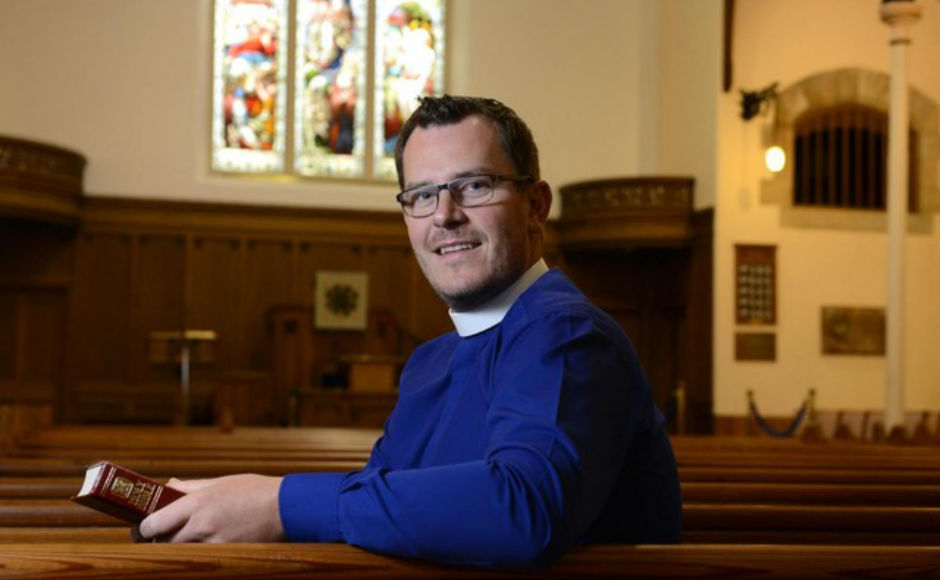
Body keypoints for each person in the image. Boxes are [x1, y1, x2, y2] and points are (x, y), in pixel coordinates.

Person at [137, 95, 682, 567]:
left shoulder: (565, 332)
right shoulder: (431, 362)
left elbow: (524, 510)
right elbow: (380, 510)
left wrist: (276, 504)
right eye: (422, 195)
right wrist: (217, 505)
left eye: (473, 186)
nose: (444, 215)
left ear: (535, 205)